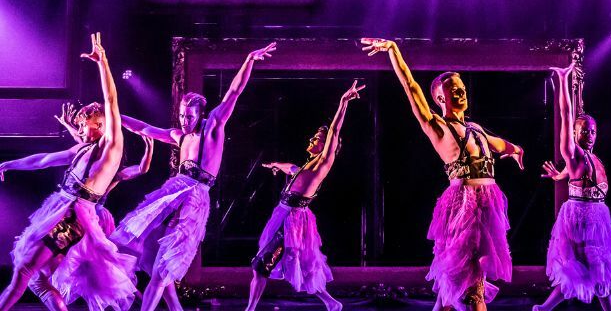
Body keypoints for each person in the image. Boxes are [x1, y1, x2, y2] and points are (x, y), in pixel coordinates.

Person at [361, 38, 524, 311]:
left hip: (488, 203)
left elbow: (498, 144)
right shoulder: (439, 127)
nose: (460, 93)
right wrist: (393, 51)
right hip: (464, 206)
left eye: (461, 88)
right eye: (453, 90)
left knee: (457, 285)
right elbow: (411, 88)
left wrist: (516, 149)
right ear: (439, 98)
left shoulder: (475, 127)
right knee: (471, 281)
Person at [112, 42, 277, 311]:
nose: (184, 120)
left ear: (200, 114)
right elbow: (144, 127)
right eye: (181, 115)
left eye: (189, 116)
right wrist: (113, 116)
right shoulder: (180, 135)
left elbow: (233, 93)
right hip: (174, 191)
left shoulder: (212, 126)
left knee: (163, 270)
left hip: (195, 195)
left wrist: (249, 60)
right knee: (148, 253)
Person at [0, 32, 137, 311]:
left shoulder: (110, 148)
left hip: (72, 218)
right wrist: (8, 164)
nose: (80, 128)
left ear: (98, 125)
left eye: (84, 124)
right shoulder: (83, 150)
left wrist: (103, 63)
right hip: (61, 210)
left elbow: (111, 101)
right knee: (38, 279)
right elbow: (44, 160)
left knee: (24, 271)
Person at [246, 79, 365, 311]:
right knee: (308, 269)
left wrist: (343, 103)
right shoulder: (307, 166)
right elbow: (291, 168)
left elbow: (334, 131)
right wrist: (275, 164)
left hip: (291, 221)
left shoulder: (323, 163)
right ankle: (332, 303)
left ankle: (250, 309)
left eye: (317, 140)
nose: (312, 140)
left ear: (327, 147)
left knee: (260, 265)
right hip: (285, 215)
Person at [533, 64, 611, 311]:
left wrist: (559, 175)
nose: (590, 134)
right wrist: (562, 81)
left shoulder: (593, 158)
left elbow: (576, 175)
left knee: (588, 270)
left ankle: (543, 309)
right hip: (581, 218)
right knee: (593, 269)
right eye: (584, 130)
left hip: (597, 216)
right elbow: (565, 113)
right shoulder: (574, 153)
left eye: (593, 131)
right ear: (574, 133)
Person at [55, 102, 155, 235]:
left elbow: (142, 169)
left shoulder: (117, 173)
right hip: (79, 209)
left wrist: (149, 149)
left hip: (94, 214)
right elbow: (81, 141)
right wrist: (68, 125)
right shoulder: (96, 159)